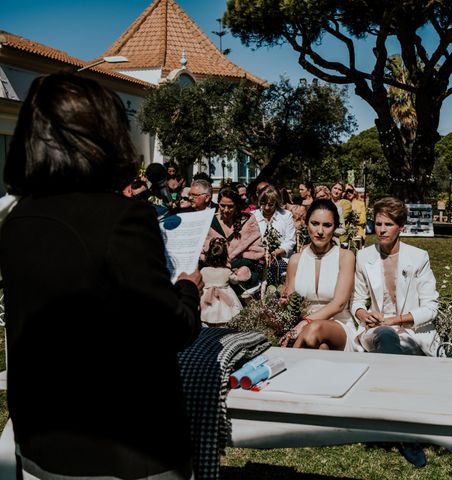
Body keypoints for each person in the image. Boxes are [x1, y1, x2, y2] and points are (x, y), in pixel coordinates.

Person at [0, 73, 202, 479]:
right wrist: (187, 287)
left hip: (44, 439)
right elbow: (172, 329)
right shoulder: (123, 218)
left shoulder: (17, 219)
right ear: (106, 137)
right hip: (127, 445)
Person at [351, 197, 439, 467]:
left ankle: (394, 421)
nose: (381, 229)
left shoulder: (418, 257)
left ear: (401, 226)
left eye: (388, 224)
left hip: (412, 331)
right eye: (377, 223)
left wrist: (398, 319)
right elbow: (357, 301)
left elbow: (431, 308)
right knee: (387, 338)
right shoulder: (364, 256)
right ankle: (407, 433)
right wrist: (365, 314)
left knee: (397, 343)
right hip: (377, 331)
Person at [279, 199, 357, 350]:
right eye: (315, 223)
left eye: (327, 225)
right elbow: (290, 302)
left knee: (313, 329)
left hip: (338, 324)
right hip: (303, 329)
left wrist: (305, 322)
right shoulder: (295, 260)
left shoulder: (345, 257)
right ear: (306, 223)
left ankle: (288, 363)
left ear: (334, 227)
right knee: (322, 347)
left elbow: (339, 304)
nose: (320, 231)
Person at [205, 188, 265, 294]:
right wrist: (222, 264)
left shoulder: (248, 221)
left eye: (230, 206)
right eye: (222, 205)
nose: (226, 210)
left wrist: (234, 264)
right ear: (218, 203)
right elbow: (204, 251)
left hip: (242, 269)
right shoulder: (209, 222)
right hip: (215, 268)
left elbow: (256, 250)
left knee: (243, 276)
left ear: (237, 205)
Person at [253, 186, 297, 285]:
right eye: (264, 204)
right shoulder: (253, 215)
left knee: (276, 270)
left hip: (279, 257)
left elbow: (290, 241)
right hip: (257, 257)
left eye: (271, 204)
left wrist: (275, 253)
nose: (267, 208)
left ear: (276, 203)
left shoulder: (286, 215)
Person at [200, 238, 244, 326]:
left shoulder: (203, 270)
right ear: (224, 257)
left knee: (207, 317)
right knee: (224, 318)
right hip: (224, 298)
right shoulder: (226, 271)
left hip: (207, 297)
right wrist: (235, 273)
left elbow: (200, 282)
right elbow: (235, 281)